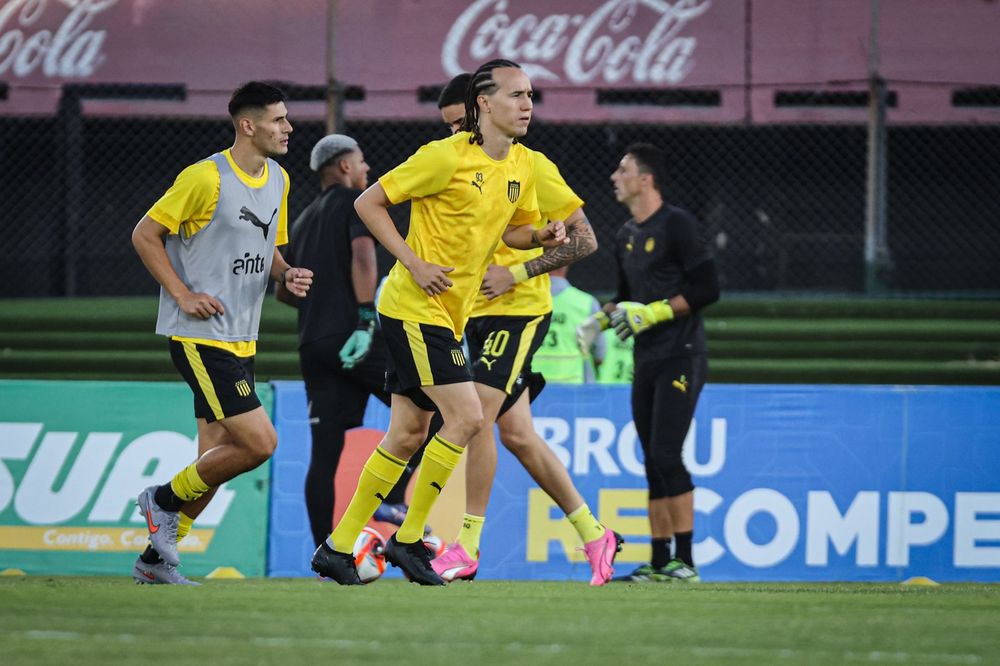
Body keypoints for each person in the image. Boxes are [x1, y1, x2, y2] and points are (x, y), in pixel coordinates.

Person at [310, 59, 567, 586]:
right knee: (469, 417)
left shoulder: (522, 165)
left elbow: (515, 232)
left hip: (448, 315)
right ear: (484, 105)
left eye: (530, 95)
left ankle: (337, 548)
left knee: (406, 433)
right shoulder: (443, 157)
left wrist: (541, 238)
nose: (527, 105)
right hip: (413, 308)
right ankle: (409, 540)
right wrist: (413, 260)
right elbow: (368, 201)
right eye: (517, 95)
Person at [428, 73, 623, 586]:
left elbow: (584, 241)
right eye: (447, 127)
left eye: (459, 124)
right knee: (518, 435)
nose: (454, 134)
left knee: (472, 419)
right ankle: (595, 532)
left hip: (519, 311)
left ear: (479, 110)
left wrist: (515, 272)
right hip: (474, 310)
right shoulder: (458, 165)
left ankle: (463, 544)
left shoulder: (531, 166)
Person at [130, 81, 313, 584]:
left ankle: (154, 563)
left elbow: (267, 247)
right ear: (247, 125)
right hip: (200, 335)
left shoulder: (277, 177)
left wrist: (285, 274)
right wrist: (183, 294)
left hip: (243, 336)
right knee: (259, 444)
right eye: (278, 119)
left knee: (213, 461)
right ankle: (160, 499)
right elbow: (145, 234)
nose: (288, 127)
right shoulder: (204, 177)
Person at [578, 143, 719, 583]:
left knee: (665, 453)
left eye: (623, 170)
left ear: (646, 179)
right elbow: (623, 295)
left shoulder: (677, 224)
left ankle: (686, 562)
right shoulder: (625, 235)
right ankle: (660, 563)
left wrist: (657, 310)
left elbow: (708, 288)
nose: (614, 177)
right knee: (651, 460)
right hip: (647, 357)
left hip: (682, 354)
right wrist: (598, 321)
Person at [276, 133, 414, 548]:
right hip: (355, 333)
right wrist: (365, 314)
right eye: (362, 161)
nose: (368, 169)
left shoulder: (301, 219)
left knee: (324, 452)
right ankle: (391, 498)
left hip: (313, 342)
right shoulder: (355, 204)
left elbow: (285, 289)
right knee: (438, 410)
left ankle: (325, 553)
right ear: (344, 167)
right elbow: (363, 255)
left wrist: (317, 305)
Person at [531, 265, 605, 384]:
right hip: (572, 383)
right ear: (566, 265)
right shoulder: (586, 302)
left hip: (529, 385)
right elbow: (600, 353)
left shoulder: (526, 301)